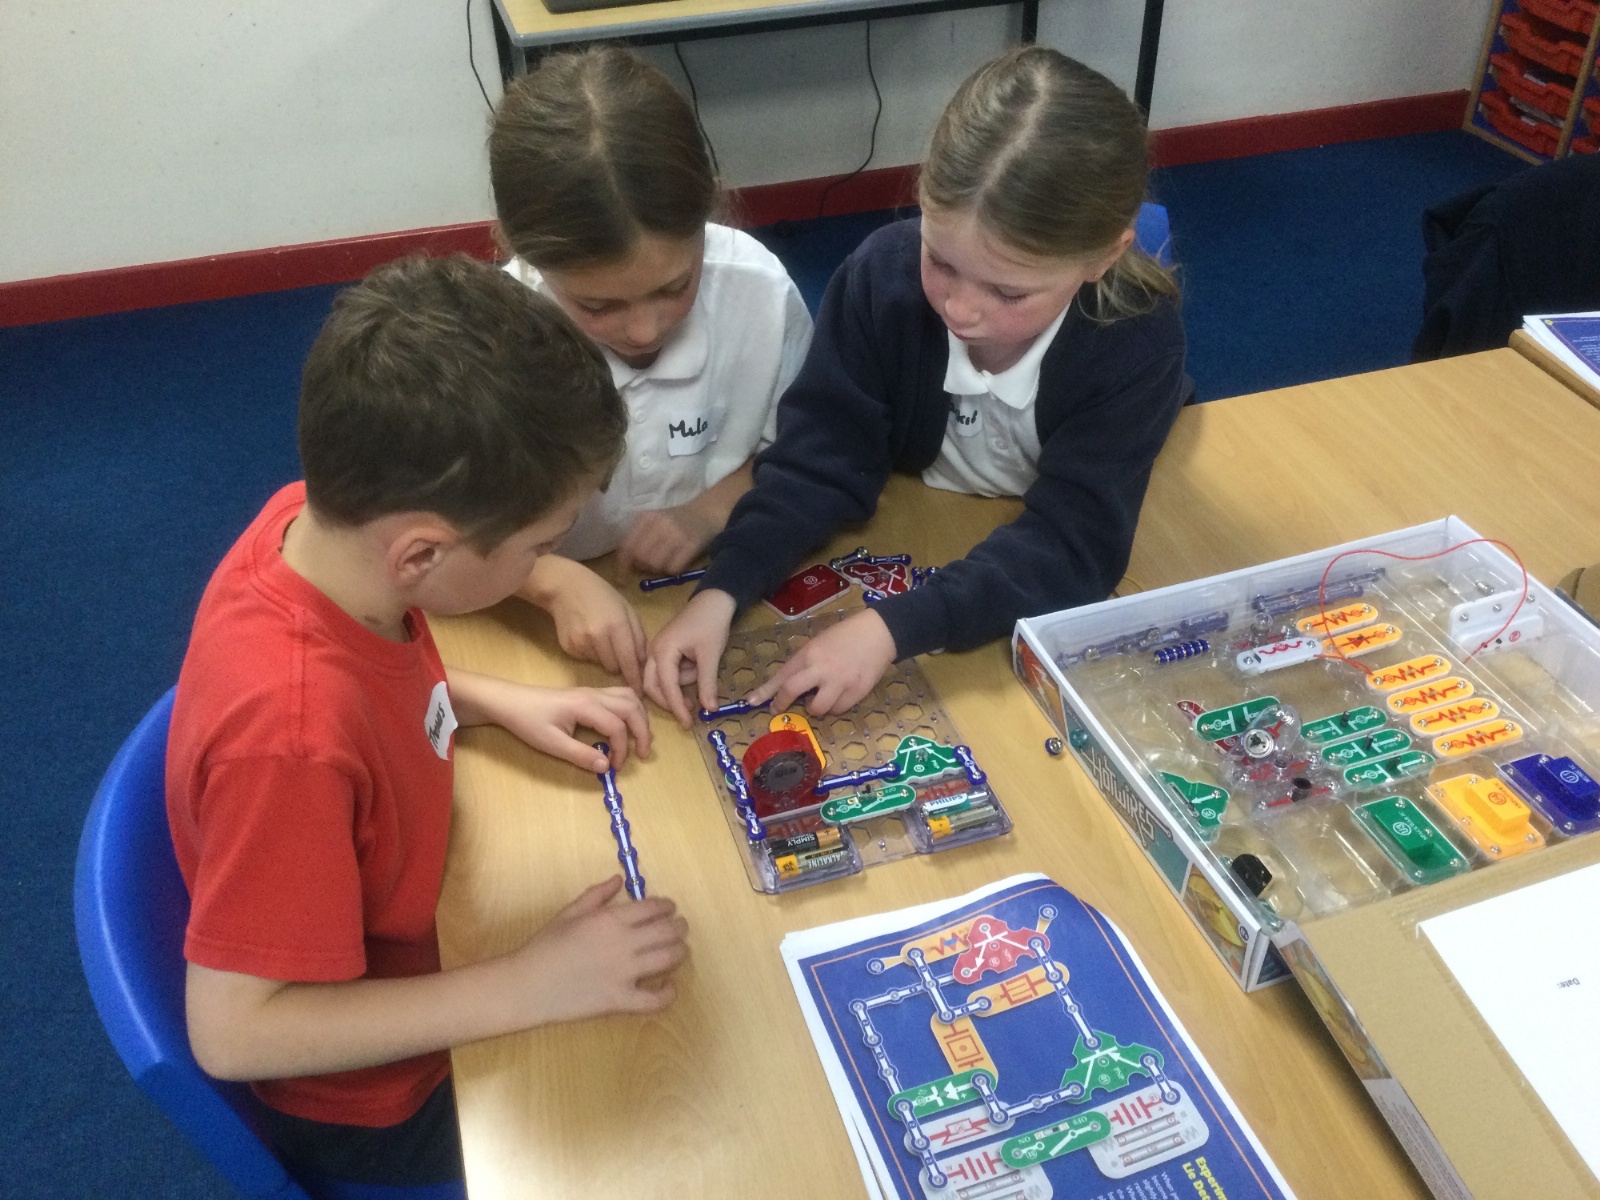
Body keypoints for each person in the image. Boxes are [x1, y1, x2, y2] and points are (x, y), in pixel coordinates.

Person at [165, 255, 690, 1193]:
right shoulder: (290, 740)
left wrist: (492, 700)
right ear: (419, 555)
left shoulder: (311, 525)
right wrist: (530, 985)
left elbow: (365, 684)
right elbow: (234, 1033)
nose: (545, 564)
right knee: (673, 1131)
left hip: (426, 932)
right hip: (382, 1103)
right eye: (539, 547)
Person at [644, 47, 1189, 725]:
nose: (961, 308)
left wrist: (893, 628)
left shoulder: (1134, 339)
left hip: (992, 576)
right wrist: (723, 589)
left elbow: (1076, 545)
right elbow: (819, 460)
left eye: (1008, 292)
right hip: (923, 528)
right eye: (941, 261)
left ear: (1105, 255)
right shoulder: (881, 280)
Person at [489, 46, 813, 692]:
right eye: (598, 305)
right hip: (530, 609)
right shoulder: (495, 333)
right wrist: (548, 581)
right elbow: (434, 524)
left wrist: (709, 510)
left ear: (708, 216)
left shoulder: (759, 291)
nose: (643, 330)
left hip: (717, 579)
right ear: (529, 258)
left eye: (674, 287)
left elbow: (806, 448)